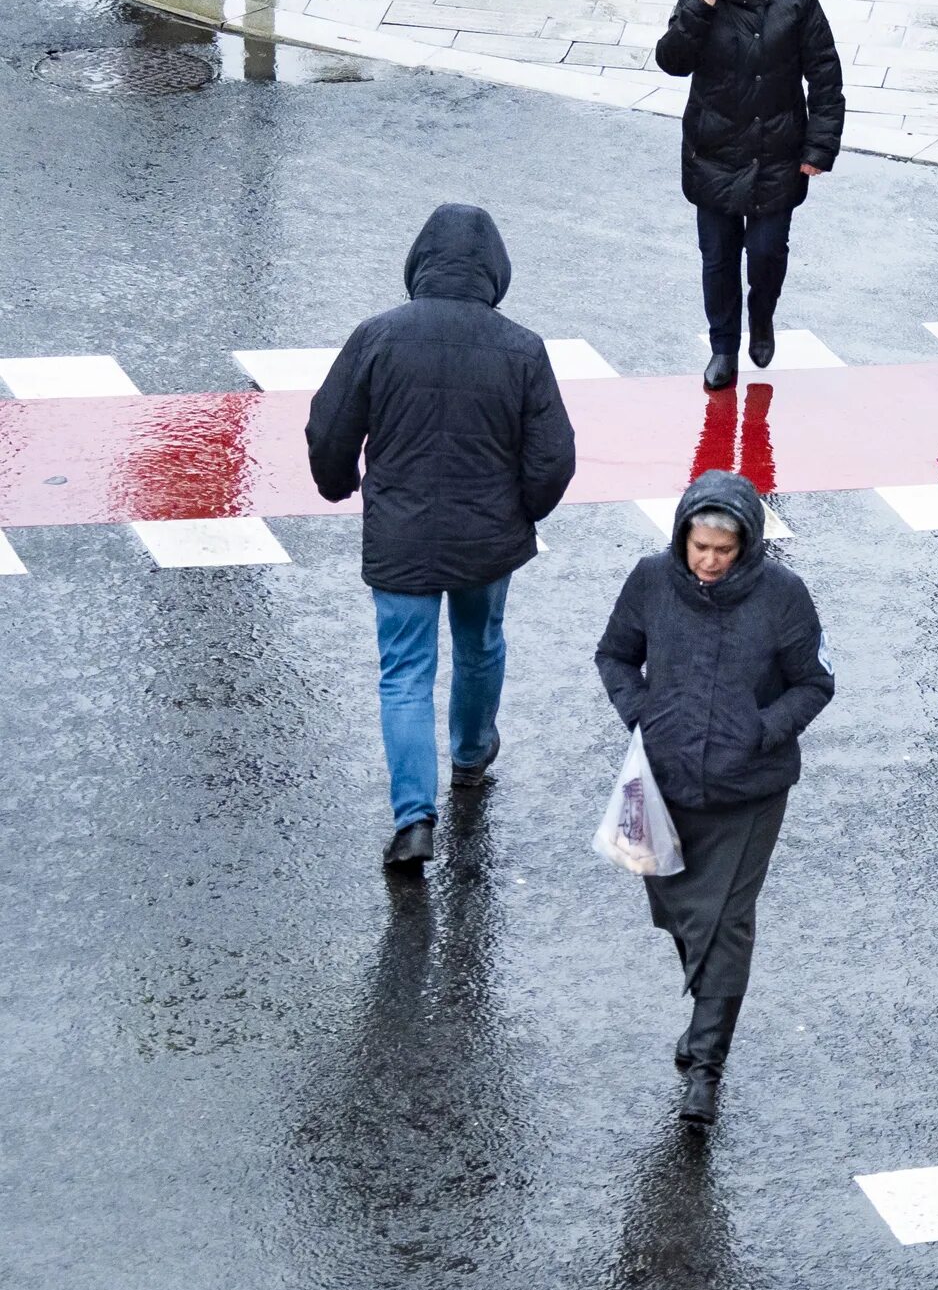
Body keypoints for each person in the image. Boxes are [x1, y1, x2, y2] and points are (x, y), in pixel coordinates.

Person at [307, 203, 577, 871]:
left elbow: (328, 428)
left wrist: (338, 482)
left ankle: (412, 819)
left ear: (418, 264)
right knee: (481, 642)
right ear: (495, 272)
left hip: (401, 535)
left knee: (404, 671)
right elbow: (555, 456)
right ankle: (470, 756)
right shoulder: (522, 348)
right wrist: (523, 512)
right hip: (488, 537)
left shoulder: (377, 336)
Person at [594, 470, 836, 1124]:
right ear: (682, 539)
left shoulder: (783, 597)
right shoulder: (651, 581)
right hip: (666, 782)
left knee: (725, 923)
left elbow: (812, 683)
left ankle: (706, 1064)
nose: (708, 561)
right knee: (682, 914)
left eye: (722, 551)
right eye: (698, 547)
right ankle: (709, 1015)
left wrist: (763, 730)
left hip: (748, 791)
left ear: (747, 546)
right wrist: (644, 715)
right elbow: (615, 654)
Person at [657, 0, 844, 393]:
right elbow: (671, 62)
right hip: (713, 152)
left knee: (766, 254)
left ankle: (762, 317)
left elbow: (824, 75)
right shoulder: (699, 1)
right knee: (717, 258)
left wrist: (819, 146)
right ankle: (724, 347)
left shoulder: (797, 0)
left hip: (777, 153)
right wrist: (698, 9)